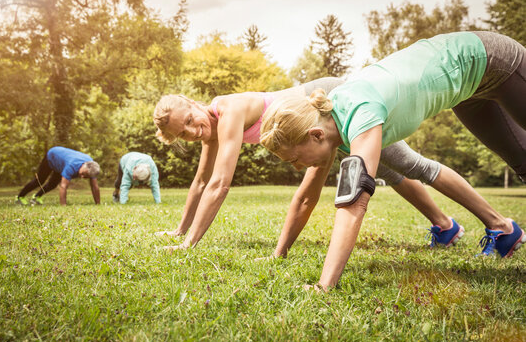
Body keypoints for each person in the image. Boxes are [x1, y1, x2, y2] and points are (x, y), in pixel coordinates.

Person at [259, 31, 526, 290]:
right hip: (468, 90)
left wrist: (324, 285)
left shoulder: (360, 114)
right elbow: (307, 197)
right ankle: (505, 231)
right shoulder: (334, 126)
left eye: (294, 159)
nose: (296, 167)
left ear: (315, 135)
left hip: (490, 60)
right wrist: (279, 253)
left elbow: (354, 203)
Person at [153, 78, 465, 250]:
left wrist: (190, 245)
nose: (193, 132)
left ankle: (493, 225)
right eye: (183, 134)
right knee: (389, 170)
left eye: (190, 120)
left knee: (410, 164)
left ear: (193, 103)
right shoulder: (211, 129)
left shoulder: (229, 111)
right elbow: (200, 183)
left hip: (321, 104)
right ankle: (445, 226)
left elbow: (220, 184)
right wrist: (181, 231)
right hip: (308, 125)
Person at [15, 146, 101, 206]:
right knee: (39, 181)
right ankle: (20, 197)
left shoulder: (92, 167)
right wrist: (63, 206)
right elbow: (63, 186)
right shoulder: (71, 166)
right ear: (84, 165)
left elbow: (95, 187)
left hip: (61, 164)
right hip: (52, 156)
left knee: (52, 184)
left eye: (86, 176)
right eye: (82, 174)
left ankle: (36, 197)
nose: (82, 177)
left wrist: (98, 204)